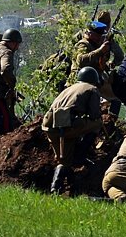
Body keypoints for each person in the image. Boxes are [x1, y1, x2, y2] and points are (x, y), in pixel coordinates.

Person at [42, 66, 105, 195]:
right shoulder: (92, 89)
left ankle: (58, 188)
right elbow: (94, 115)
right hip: (65, 127)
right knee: (97, 123)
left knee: (64, 160)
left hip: (49, 125)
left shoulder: (69, 88)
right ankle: (82, 152)